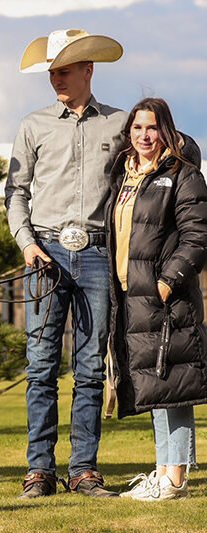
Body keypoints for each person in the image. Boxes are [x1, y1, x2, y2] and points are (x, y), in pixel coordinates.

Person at [5, 29, 127, 498]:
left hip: (97, 253)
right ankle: (40, 471)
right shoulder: (32, 125)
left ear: (88, 69)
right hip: (46, 255)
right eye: (51, 72)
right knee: (40, 368)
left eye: (63, 70)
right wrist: (26, 244)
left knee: (91, 368)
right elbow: (15, 193)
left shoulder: (120, 124)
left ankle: (84, 471)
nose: (55, 79)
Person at [104, 98, 207, 501]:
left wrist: (169, 280)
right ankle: (163, 472)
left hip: (167, 299)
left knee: (174, 385)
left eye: (151, 128)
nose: (144, 136)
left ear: (166, 130)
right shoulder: (126, 176)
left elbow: (198, 236)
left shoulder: (183, 174)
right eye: (137, 129)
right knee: (156, 388)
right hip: (133, 297)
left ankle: (175, 480)